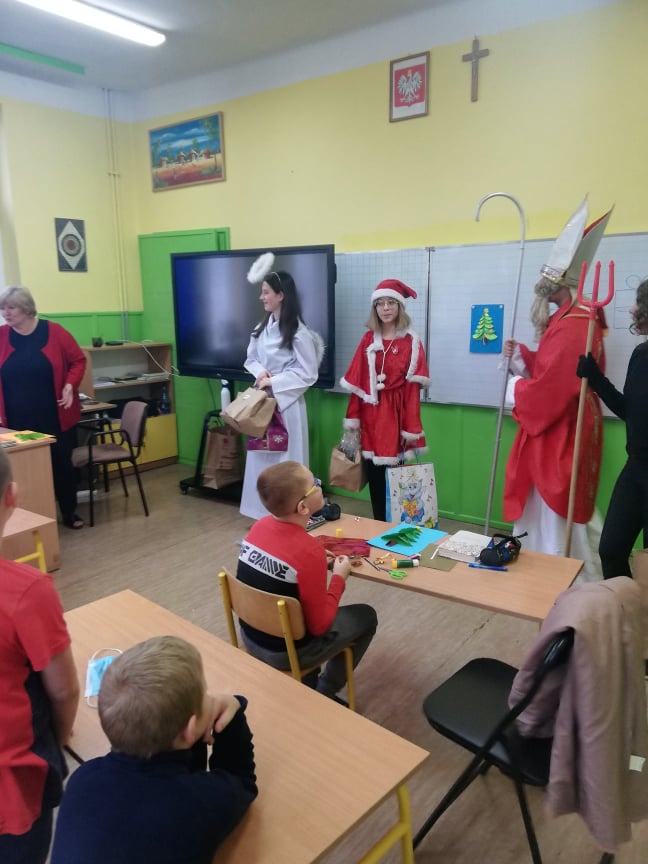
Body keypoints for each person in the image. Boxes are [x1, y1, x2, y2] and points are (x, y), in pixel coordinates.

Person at [51, 635, 257, 864]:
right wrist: (233, 710)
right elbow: (242, 782)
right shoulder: (200, 803)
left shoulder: (82, 779)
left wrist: (193, 728)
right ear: (189, 728)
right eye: (205, 694)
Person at [502, 200, 611, 576]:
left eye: (548, 278)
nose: (542, 284)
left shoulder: (574, 324)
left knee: (559, 507)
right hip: (563, 423)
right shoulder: (571, 318)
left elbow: (554, 389)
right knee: (549, 507)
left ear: (562, 282)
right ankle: (542, 571)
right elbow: (554, 369)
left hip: (562, 428)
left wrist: (516, 387)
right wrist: (524, 358)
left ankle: (566, 579)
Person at [236, 460, 377, 703]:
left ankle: (309, 685)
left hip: (250, 636)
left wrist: (315, 561)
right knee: (367, 616)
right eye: (315, 484)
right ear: (303, 507)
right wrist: (339, 577)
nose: (320, 486)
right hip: (285, 652)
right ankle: (324, 692)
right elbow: (320, 626)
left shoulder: (258, 527)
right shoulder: (309, 552)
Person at [0, 447, 79, 864]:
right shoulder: (27, 591)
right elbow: (64, 691)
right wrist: (59, 738)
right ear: (12, 496)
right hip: (13, 788)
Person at [340, 278, 430, 520]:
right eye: (380, 303)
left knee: (396, 476)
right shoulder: (368, 339)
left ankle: (398, 523)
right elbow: (357, 384)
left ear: (400, 306)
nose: (386, 308)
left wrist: (411, 426)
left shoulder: (411, 341)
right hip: (371, 415)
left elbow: (413, 390)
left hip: (397, 417)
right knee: (375, 474)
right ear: (375, 308)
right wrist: (353, 420)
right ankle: (379, 522)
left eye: (391, 302)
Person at [240, 254, 322, 520]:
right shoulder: (261, 327)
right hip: (263, 404)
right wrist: (260, 373)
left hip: (287, 406)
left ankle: (288, 515)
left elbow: (308, 373)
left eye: (266, 292)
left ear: (281, 295)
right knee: (260, 460)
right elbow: (250, 359)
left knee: (286, 464)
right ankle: (261, 514)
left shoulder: (298, 332)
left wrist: (274, 381)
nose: (261, 297)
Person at [577, 278, 648, 578]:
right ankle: (625, 606)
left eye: (639, 303)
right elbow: (629, 412)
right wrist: (595, 378)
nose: (632, 309)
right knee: (611, 550)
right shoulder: (641, 355)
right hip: (637, 469)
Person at [0, 285, 87, 529]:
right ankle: (30, 518)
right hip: (17, 419)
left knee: (61, 466)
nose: (5, 313)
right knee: (24, 470)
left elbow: (78, 361)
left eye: (11, 307)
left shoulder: (55, 332)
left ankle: (69, 512)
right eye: (3, 308)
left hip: (54, 415)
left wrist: (70, 384)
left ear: (26, 308)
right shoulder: (1, 336)